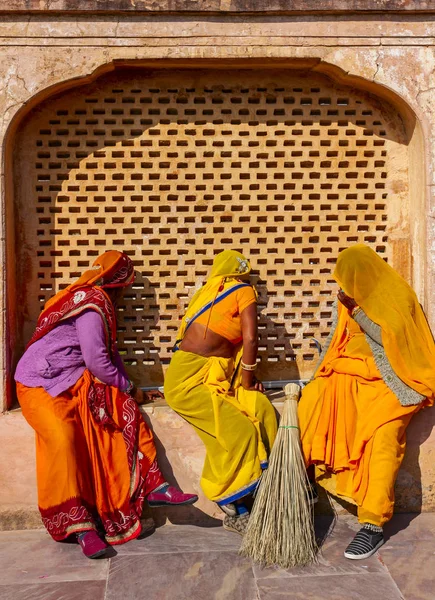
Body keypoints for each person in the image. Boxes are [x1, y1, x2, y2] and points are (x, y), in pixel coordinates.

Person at [15, 251, 198, 559]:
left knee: (119, 406)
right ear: (119, 286)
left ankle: (154, 485)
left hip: (72, 377)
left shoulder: (93, 300)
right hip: (39, 383)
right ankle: (79, 527)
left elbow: (108, 357)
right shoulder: (92, 303)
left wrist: (131, 390)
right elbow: (98, 361)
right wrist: (131, 387)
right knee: (63, 437)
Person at [298, 244, 435, 560]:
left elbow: (393, 341)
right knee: (311, 402)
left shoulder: (397, 298)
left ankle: (372, 524)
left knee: (383, 441)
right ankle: (299, 484)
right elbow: (336, 341)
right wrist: (317, 376)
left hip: (394, 382)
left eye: (348, 277)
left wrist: (359, 310)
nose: (343, 285)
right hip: (349, 374)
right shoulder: (345, 301)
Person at [164, 250, 277, 535]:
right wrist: (248, 378)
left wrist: (248, 378)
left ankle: (259, 494)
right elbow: (251, 337)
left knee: (259, 408)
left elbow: (227, 343)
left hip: (210, 377)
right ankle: (228, 497)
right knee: (241, 431)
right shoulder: (243, 290)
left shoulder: (210, 291)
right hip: (189, 382)